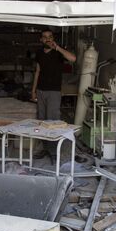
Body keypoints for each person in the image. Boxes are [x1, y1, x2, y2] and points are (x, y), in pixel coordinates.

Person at [31, 29, 76, 157]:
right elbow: (38, 72)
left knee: (53, 122)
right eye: (45, 37)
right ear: (41, 39)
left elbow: (73, 58)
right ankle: (44, 148)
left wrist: (57, 47)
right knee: (41, 121)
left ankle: (54, 151)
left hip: (54, 92)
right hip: (40, 90)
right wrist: (33, 90)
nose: (48, 39)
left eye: (50, 37)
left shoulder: (58, 53)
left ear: (53, 39)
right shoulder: (39, 53)